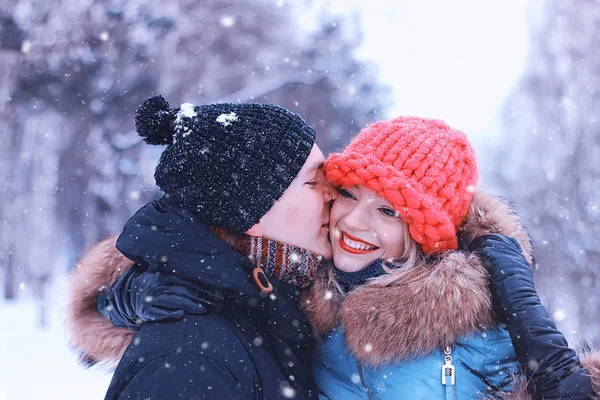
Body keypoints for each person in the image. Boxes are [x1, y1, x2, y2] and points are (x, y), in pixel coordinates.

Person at [68, 111, 600, 399]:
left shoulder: (483, 320)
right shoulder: (293, 290)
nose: (352, 220)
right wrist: (131, 292)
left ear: (428, 232)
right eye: (346, 192)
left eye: (390, 211)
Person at [65, 94, 337, 399]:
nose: (333, 195)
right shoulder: (191, 361)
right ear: (251, 212)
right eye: (315, 183)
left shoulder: (276, 312)